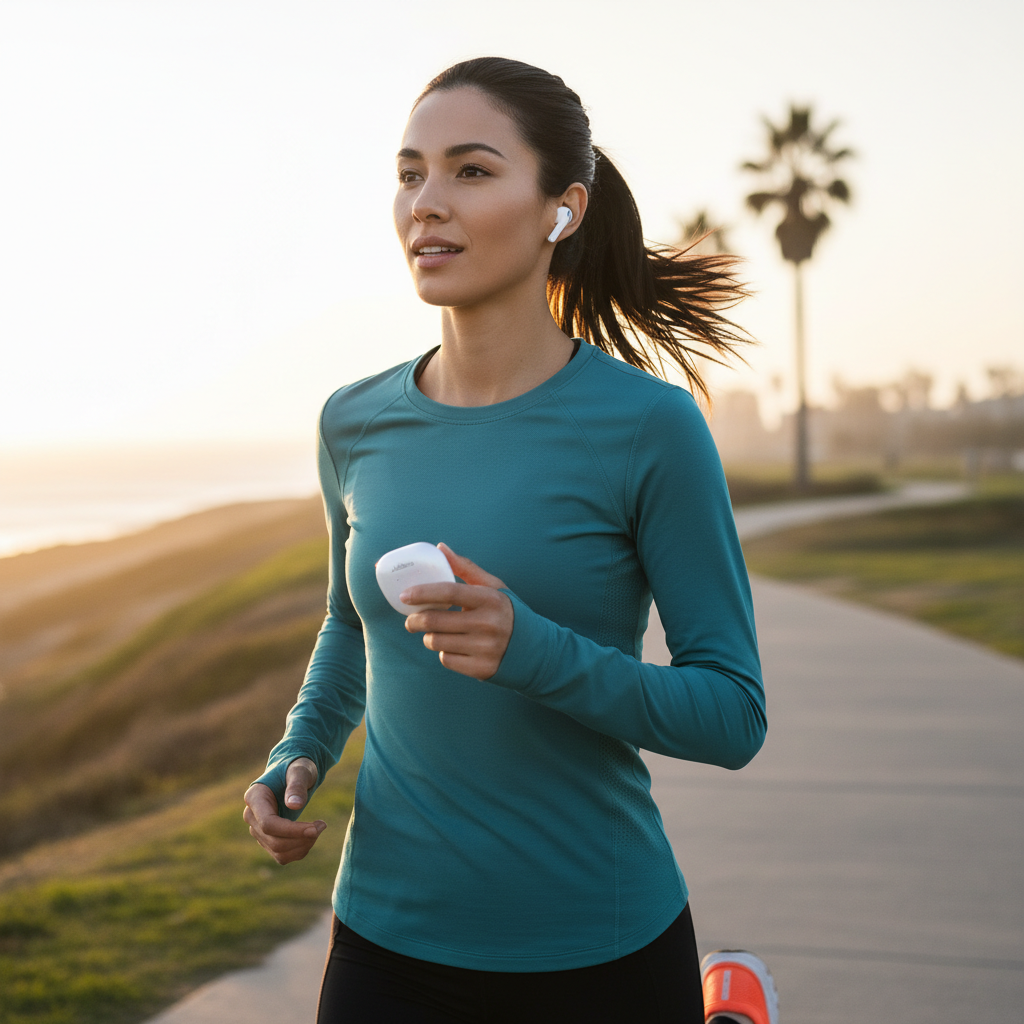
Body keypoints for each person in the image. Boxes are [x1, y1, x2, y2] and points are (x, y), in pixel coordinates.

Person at [243, 56, 769, 1024]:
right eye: (409, 174)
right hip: (384, 942)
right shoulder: (350, 421)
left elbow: (732, 715)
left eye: (471, 171)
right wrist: (297, 753)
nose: (425, 204)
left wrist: (533, 652)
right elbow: (348, 627)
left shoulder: (648, 426)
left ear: (558, 209)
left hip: (595, 943)